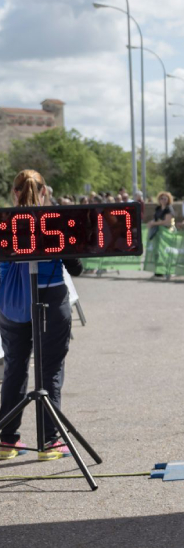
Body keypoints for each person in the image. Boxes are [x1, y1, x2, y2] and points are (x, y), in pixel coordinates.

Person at [0, 170, 80, 461]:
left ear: (14, 192)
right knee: (50, 369)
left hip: (11, 300)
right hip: (52, 295)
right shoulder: (54, 220)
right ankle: (50, 442)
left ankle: (6, 441)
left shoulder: (5, 222)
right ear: (44, 191)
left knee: (14, 367)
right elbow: (76, 266)